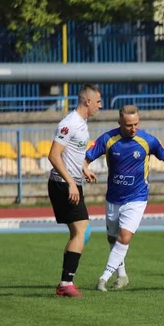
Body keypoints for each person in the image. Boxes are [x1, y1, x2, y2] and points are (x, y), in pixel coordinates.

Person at [82, 105, 164, 291]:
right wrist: (85, 168)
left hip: (137, 198)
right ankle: (122, 276)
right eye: (129, 125)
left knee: (125, 237)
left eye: (136, 124)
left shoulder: (147, 141)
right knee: (112, 239)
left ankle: (103, 278)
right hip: (113, 198)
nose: (133, 128)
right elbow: (86, 158)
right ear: (120, 122)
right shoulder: (108, 139)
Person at [47, 84, 102, 297]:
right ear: (87, 101)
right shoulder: (69, 123)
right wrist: (71, 181)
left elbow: (72, 154)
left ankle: (66, 281)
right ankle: (66, 283)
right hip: (62, 183)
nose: (100, 105)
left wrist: (83, 168)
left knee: (80, 232)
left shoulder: (82, 123)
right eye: (98, 101)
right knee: (82, 231)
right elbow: (53, 155)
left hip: (70, 181)